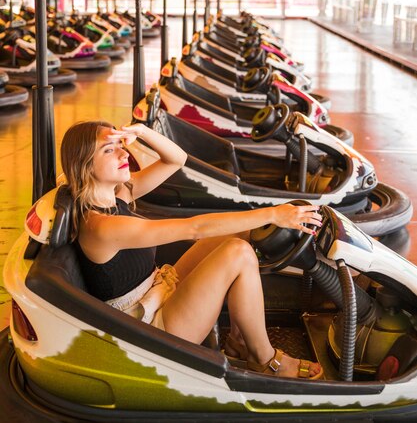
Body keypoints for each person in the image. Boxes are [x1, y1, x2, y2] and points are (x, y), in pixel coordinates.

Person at [61, 119, 323, 380]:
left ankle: (240, 341)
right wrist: (273, 215)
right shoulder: (101, 228)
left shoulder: (118, 194)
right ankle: (264, 359)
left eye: (121, 144)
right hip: (147, 330)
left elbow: (176, 159)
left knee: (237, 233)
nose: (123, 152)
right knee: (237, 253)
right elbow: (194, 228)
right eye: (109, 149)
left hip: (157, 290)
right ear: (85, 165)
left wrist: (141, 131)